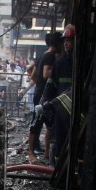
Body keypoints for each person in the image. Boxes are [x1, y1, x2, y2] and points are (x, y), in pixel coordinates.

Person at [28, 32, 61, 163]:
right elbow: (45, 74)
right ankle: (31, 153)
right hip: (43, 97)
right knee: (37, 124)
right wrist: (59, 69)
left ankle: (45, 153)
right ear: (58, 44)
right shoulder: (50, 57)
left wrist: (39, 87)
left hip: (40, 94)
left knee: (45, 125)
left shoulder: (42, 55)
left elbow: (33, 75)